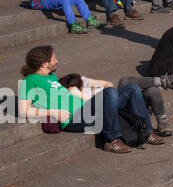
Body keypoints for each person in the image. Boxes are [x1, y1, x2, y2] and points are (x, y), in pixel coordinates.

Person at [18, 46, 158, 153]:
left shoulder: (51, 77)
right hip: (74, 119)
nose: (57, 61)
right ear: (44, 64)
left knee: (132, 88)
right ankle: (112, 140)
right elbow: (24, 111)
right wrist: (53, 112)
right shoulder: (29, 81)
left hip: (86, 109)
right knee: (109, 92)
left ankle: (148, 132)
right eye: (54, 58)